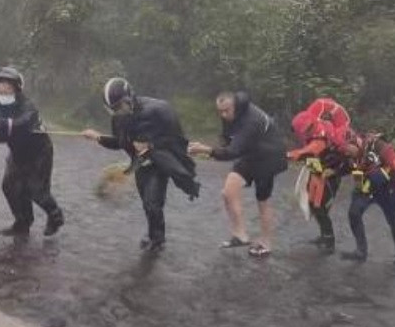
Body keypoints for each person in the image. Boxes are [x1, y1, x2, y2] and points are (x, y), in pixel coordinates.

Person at [81, 77, 200, 252]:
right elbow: (120, 142)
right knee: (148, 203)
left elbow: (177, 141)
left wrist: (151, 145)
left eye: (120, 106)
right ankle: (154, 233)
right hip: (140, 164)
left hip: (160, 163)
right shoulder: (118, 119)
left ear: (130, 96)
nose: (118, 111)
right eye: (113, 109)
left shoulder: (160, 110)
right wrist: (98, 137)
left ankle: (158, 241)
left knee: (153, 203)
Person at [188, 91, 288, 258]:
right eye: (220, 111)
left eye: (227, 110)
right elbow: (227, 138)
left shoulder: (251, 121)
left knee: (262, 200)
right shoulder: (230, 112)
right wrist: (222, 144)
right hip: (251, 153)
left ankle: (266, 243)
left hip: (269, 157)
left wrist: (206, 150)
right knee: (228, 192)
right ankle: (240, 235)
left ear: (235, 105)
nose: (223, 115)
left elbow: (232, 152)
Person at [0, 66, 64, 237]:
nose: (2, 88)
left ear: (16, 88)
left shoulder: (28, 106)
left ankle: (55, 216)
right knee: (10, 186)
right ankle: (23, 223)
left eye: (7, 85)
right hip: (17, 153)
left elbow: (21, 124)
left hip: (39, 153)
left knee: (37, 191)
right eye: (0, 84)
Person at [287, 98, 355, 253]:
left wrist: (290, 154)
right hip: (319, 166)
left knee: (321, 206)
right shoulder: (312, 129)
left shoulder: (324, 132)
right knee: (313, 203)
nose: (308, 131)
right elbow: (309, 153)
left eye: (309, 128)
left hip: (332, 170)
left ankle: (330, 241)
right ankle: (324, 235)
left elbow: (312, 149)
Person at [341, 132, 395, 265]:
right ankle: (361, 251)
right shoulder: (350, 156)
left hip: (387, 188)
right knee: (354, 213)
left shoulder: (379, 146)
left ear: (357, 144)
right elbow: (347, 169)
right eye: (345, 151)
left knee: (393, 221)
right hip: (366, 188)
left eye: (349, 150)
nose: (348, 153)